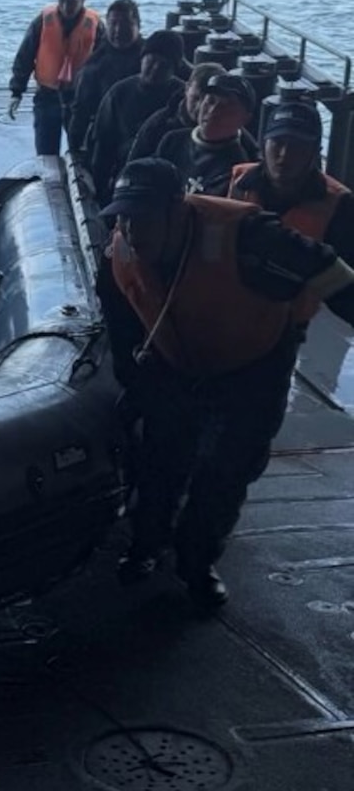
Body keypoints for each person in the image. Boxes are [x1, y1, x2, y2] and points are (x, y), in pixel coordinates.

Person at [97, 158, 354, 610]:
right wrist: (135, 383)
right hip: (174, 362)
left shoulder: (253, 236)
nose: (132, 231)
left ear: (178, 209)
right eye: (124, 217)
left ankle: (196, 563)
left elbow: (334, 276)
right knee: (158, 461)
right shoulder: (121, 249)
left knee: (224, 472)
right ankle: (145, 546)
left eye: (143, 218)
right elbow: (121, 324)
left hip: (252, 366)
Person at [228, 99, 354, 264]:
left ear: (315, 152)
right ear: (263, 144)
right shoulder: (239, 179)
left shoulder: (340, 205)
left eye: (298, 146)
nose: (284, 154)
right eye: (277, 143)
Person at [8, 0, 103, 156]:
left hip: (80, 100)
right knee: (46, 155)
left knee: (81, 154)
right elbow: (25, 56)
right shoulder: (43, 21)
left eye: (72, 1)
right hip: (47, 96)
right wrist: (16, 91)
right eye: (62, 0)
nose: (66, 6)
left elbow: (105, 62)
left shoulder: (95, 25)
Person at [87, 30, 185, 205]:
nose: (155, 69)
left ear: (174, 69)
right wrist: (100, 187)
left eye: (163, 65)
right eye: (151, 61)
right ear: (142, 59)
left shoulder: (182, 97)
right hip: (125, 174)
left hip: (169, 178)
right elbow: (103, 145)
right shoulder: (119, 93)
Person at [155, 73, 256, 196]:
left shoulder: (238, 170)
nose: (213, 111)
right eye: (210, 101)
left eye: (226, 106)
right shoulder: (172, 140)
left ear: (245, 119)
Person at [67, 0, 143, 156]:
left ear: (138, 25)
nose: (118, 30)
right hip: (107, 138)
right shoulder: (96, 65)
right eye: (113, 24)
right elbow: (81, 111)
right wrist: (74, 149)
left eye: (125, 24)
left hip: (146, 136)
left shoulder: (153, 57)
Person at [127, 61, 244, 162]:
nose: (200, 107)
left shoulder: (233, 132)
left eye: (209, 101)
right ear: (187, 89)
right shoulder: (159, 125)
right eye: (196, 98)